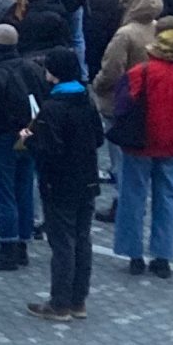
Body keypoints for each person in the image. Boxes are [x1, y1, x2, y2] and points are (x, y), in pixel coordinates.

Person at [23, 49, 103, 320]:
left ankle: (59, 303)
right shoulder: (86, 99)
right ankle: (78, 299)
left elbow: (49, 149)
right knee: (83, 238)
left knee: (62, 243)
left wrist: (30, 138)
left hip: (59, 184)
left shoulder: (52, 107)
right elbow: (99, 139)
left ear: (54, 73)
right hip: (88, 179)